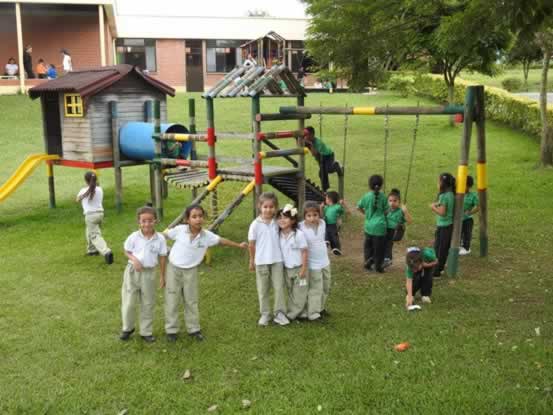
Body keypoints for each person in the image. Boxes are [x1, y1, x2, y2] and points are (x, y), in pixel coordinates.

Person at [164, 204, 247, 342]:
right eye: (194, 217)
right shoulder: (179, 230)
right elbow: (164, 235)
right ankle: (171, 330)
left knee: (191, 300)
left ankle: (194, 329)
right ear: (187, 219)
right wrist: (149, 236)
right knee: (172, 299)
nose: (198, 219)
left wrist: (238, 245)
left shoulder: (207, 236)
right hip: (174, 270)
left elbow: (222, 241)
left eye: (200, 216)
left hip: (191, 271)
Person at [120, 206, 167, 343]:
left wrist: (162, 276)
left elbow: (162, 257)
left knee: (148, 302)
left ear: (155, 221)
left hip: (149, 273)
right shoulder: (134, 237)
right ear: (139, 222)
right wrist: (134, 260)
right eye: (144, 221)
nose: (147, 224)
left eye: (150, 220)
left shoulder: (160, 239)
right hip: (132, 272)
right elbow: (127, 251)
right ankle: (127, 328)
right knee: (129, 301)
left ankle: (146, 331)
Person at [248, 192, 289, 326]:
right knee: (263, 289)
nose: (268, 209)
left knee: (279, 287)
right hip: (261, 262)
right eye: (265, 207)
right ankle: (265, 314)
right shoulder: (255, 224)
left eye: (271, 207)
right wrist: (251, 260)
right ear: (259, 207)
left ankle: (280, 313)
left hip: (277, 260)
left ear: (276, 208)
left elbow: (290, 225)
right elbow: (252, 244)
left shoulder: (278, 222)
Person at [299, 201, 331, 320]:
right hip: (313, 264)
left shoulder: (322, 223)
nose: (312, 218)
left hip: (325, 261)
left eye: (315, 215)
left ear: (319, 215)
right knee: (316, 288)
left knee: (326, 286)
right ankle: (313, 313)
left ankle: (321, 308)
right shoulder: (301, 227)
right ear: (304, 216)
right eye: (309, 216)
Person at [277, 204, 308, 321]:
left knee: (300, 291)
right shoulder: (278, 234)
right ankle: (301, 313)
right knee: (290, 291)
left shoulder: (298, 235)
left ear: (293, 220)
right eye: (279, 218)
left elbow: (304, 252)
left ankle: (292, 315)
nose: (282, 220)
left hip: (299, 268)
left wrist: (303, 269)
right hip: (286, 268)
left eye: (285, 217)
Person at [75, 171, 113, 264]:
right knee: (90, 230)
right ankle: (92, 250)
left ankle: (106, 252)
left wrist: (82, 195)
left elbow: (76, 200)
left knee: (95, 235)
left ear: (86, 180)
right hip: (100, 214)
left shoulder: (83, 191)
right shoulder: (100, 189)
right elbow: (94, 187)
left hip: (90, 216)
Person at [357, 175, 388, 273]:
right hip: (380, 227)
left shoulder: (366, 196)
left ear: (369, 185)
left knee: (368, 246)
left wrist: (366, 214)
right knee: (379, 249)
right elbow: (387, 211)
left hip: (368, 226)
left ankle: (368, 262)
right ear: (381, 185)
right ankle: (378, 267)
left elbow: (358, 207)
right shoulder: (383, 196)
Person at [430, 172, 456, 277]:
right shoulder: (450, 194)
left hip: (444, 226)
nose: (437, 184)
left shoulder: (444, 196)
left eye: (438, 181)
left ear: (442, 184)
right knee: (441, 248)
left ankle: (437, 271)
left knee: (440, 249)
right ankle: (439, 267)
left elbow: (442, 212)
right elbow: (445, 205)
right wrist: (437, 204)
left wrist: (433, 208)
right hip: (447, 225)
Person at [303, 126, 343, 192]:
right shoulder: (307, 141)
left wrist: (311, 144)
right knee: (322, 174)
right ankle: (326, 190)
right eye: (304, 135)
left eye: (307, 135)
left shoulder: (318, 143)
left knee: (329, 169)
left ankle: (336, 165)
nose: (305, 137)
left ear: (312, 135)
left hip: (328, 156)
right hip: (320, 158)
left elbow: (314, 154)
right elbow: (300, 146)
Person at [384, 188, 413, 266]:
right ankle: (382, 257)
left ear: (399, 202)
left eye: (395, 201)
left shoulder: (401, 211)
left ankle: (387, 259)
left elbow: (410, 221)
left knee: (388, 242)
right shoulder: (386, 210)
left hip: (396, 231)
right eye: (390, 201)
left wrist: (405, 211)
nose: (392, 203)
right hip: (386, 230)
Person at [460, 175, 479, 255]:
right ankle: (458, 245)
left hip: (467, 219)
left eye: (464, 185)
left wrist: (470, 212)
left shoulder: (473, 196)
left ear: (469, 186)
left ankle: (466, 248)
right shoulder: (457, 193)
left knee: (467, 233)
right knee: (458, 232)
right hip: (458, 218)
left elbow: (479, 207)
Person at [322, 190, 344, 255]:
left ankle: (336, 249)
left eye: (326, 198)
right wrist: (321, 208)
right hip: (326, 224)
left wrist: (341, 204)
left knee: (334, 237)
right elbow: (323, 214)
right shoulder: (326, 207)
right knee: (326, 234)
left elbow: (342, 212)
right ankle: (326, 242)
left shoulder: (337, 207)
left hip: (334, 225)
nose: (325, 200)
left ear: (330, 199)